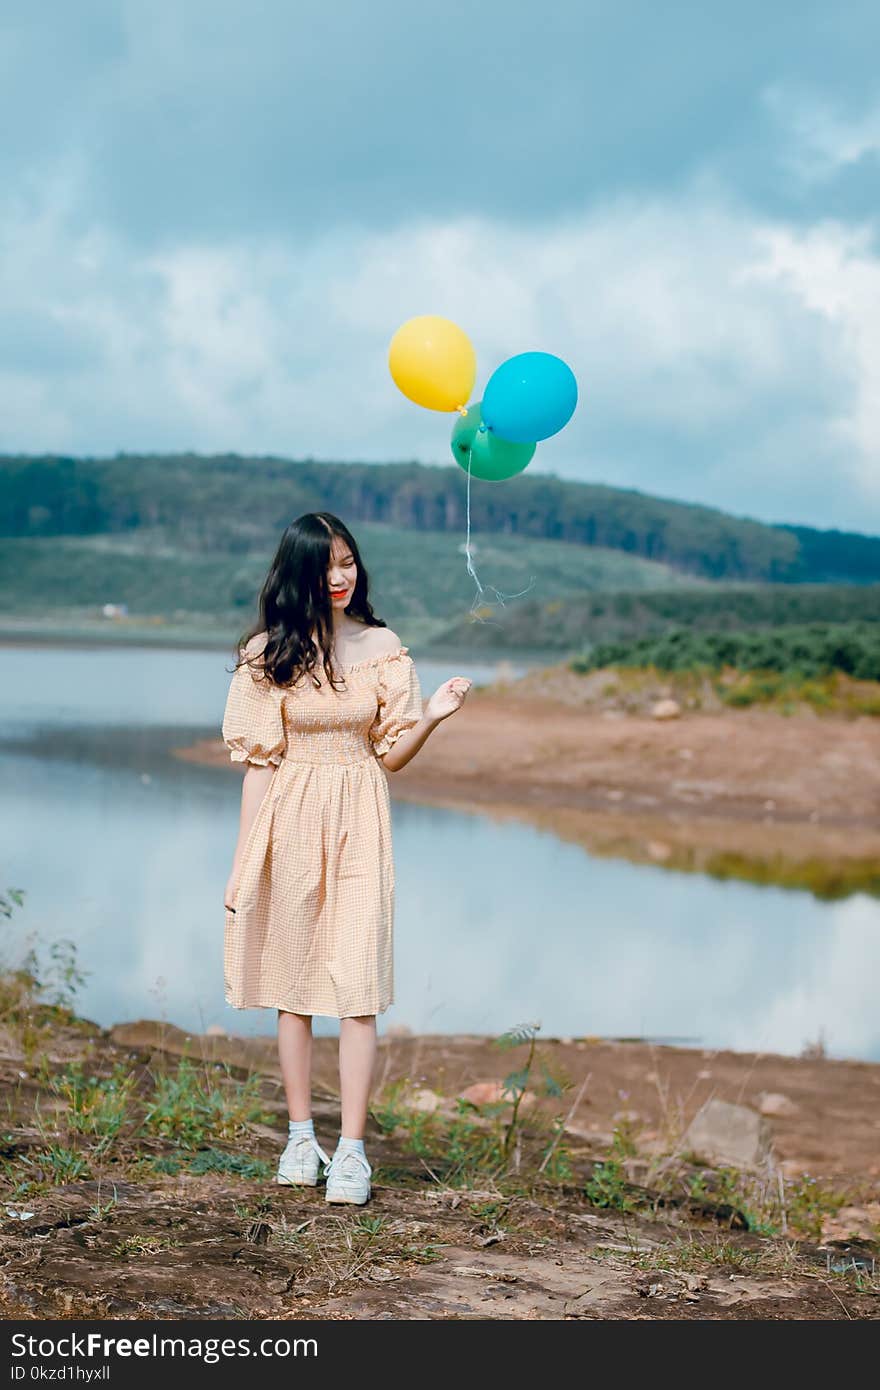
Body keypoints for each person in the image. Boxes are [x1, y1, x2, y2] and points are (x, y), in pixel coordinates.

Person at [221, 512, 472, 1205]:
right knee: (293, 986)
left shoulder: (384, 646)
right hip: (291, 816)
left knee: (357, 987)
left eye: (349, 562)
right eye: (327, 565)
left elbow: (389, 756)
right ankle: (302, 1138)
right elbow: (258, 765)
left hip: (360, 817)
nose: (340, 576)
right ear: (299, 569)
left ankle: (353, 1152)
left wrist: (431, 719)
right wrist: (243, 864)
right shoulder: (267, 653)